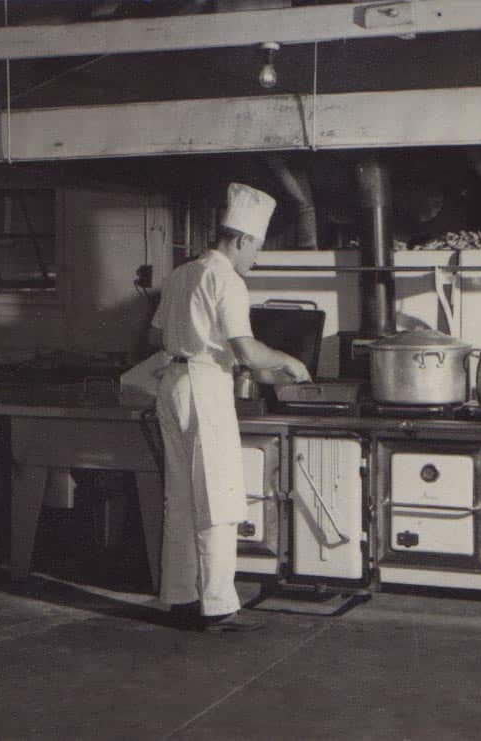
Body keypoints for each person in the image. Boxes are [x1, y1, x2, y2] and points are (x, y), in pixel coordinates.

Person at [148, 182, 312, 633]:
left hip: (174, 383)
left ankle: (179, 597)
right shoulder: (228, 280)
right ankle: (218, 605)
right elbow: (247, 349)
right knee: (217, 499)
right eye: (255, 249)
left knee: (180, 499)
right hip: (204, 386)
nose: (255, 259)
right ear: (240, 239)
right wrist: (289, 362)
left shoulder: (183, 273)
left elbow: (154, 335)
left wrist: (214, 351)